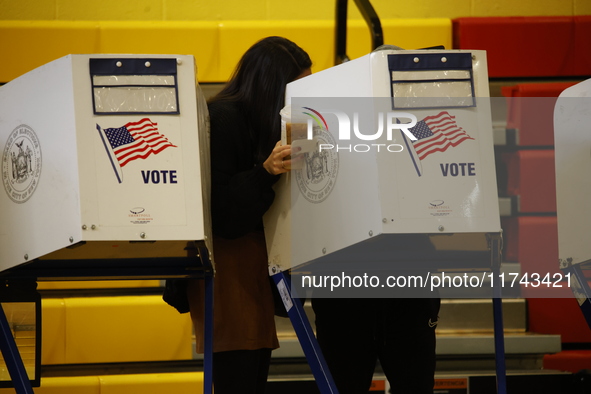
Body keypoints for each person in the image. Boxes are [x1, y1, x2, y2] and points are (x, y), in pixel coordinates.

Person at [186, 36, 312, 394]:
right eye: (296, 88)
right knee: (239, 376)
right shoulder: (222, 119)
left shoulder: (268, 121)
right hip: (227, 266)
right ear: (273, 86)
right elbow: (221, 214)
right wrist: (265, 172)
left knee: (254, 373)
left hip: (256, 262)